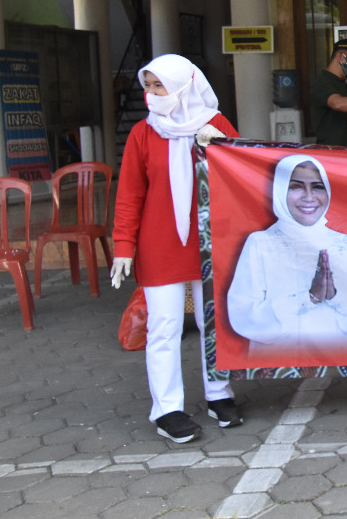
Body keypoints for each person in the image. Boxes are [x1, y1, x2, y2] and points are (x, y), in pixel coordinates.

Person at [109, 54, 242, 443]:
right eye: (148, 86)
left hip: (210, 240)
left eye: (159, 86)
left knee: (212, 322)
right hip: (160, 244)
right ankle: (167, 409)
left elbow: (243, 175)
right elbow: (129, 194)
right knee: (164, 326)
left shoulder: (216, 124)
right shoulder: (142, 133)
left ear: (185, 86)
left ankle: (219, 394)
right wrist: (123, 245)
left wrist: (223, 148)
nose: (152, 94)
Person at [227, 155, 347, 359]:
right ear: (279, 190)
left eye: (317, 187)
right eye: (296, 187)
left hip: (343, 364)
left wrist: (334, 297)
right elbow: (243, 318)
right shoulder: (260, 243)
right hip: (280, 366)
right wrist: (309, 298)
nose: (309, 197)